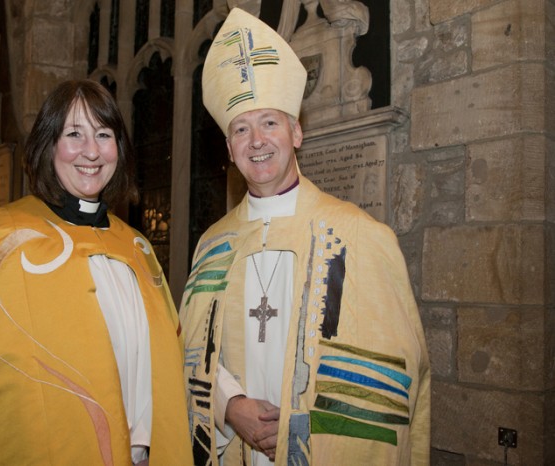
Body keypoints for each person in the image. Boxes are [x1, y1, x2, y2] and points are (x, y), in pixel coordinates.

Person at [180, 8, 430, 466]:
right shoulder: (212, 246)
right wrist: (230, 408)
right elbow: (190, 353)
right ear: (231, 150)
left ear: (296, 132)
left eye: (270, 123)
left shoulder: (360, 237)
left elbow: (392, 377)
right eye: (241, 129)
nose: (257, 140)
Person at [0, 80, 193, 465]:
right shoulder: (6, 238)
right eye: (74, 133)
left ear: (118, 149)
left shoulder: (138, 249)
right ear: (49, 145)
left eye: (103, 134)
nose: (91, 151)